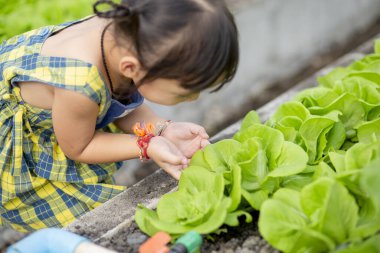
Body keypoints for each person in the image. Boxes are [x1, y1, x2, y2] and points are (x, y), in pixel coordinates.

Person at [0, 0, 239, 232]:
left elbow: (118, 99)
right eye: (186, 92)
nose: (194, 99)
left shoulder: (127, 36)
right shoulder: (79, 82)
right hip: (17, 141)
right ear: (131, 68)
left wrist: (162, 129)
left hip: (67, 123)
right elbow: (79, 147)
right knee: (85, 222)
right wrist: (147, 144)